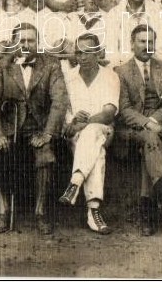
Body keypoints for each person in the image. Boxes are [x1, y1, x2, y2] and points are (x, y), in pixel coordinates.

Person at [0, 23, 69, 235]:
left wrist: (48, 133)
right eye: (22, 41)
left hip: (37, 126)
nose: (26, 45)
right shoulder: (3, 65)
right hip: (10, 127)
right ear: (13, 43)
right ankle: (3, 210)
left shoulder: (51, 64)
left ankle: (40, 212)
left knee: (45, 156)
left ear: (37, 42)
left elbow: (59, 101)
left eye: (31, 40)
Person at [114, 25, 162, 235]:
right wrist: (148, 123)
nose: (146, 46)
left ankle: (146, 212)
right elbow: (124, 109)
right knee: (152, 138)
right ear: (132, 44)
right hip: (132, 128)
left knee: (150, 145)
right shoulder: (121, 71)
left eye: (150, 42)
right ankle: (161, 192)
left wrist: (155, 120)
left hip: (157, 126)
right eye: (142, 41)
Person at [58, 33, 120, 235]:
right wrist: (73, 123)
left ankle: (75, 183)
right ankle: (93, 210)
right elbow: (64, 114)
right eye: (78, 52)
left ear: (97, 53)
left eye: (87, 52)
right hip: (74, 134)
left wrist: (83, 123)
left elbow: (108, 113)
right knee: (96, 152)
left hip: (103, 130)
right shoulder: (69, 78)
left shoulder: (110, 75)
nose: (82, 57)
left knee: (92, 132)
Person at [103, 0, 162, 67]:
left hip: (151, 65)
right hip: (122, 66)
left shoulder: (157, 12)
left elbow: (160, 45)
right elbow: (111, 50)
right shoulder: (114, 14)